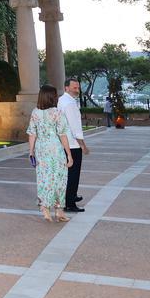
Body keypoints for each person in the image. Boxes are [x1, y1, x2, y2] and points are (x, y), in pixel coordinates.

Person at [28, 85, 74, 223]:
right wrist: (69, 154)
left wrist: (31, 152)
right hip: (55, 149)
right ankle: (59, 211)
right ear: (52, 97)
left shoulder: (35, 112)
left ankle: (45, 209)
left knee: (44, 179)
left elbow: (32, 133)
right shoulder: (57, 112)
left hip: (41, 149)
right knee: (59, 179)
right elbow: (63, 135)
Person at [58, 78, 90, 213]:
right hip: (72, 144)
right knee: (73, 174)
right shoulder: (70, 104)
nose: (77, 90)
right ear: (66, 88)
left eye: (78, 88)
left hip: (66, 143)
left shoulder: (62, 100)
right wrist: (83, 145)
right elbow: (75, 127)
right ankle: (70, 203)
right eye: (74, 88)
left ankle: (70, 196)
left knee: (69, 173)